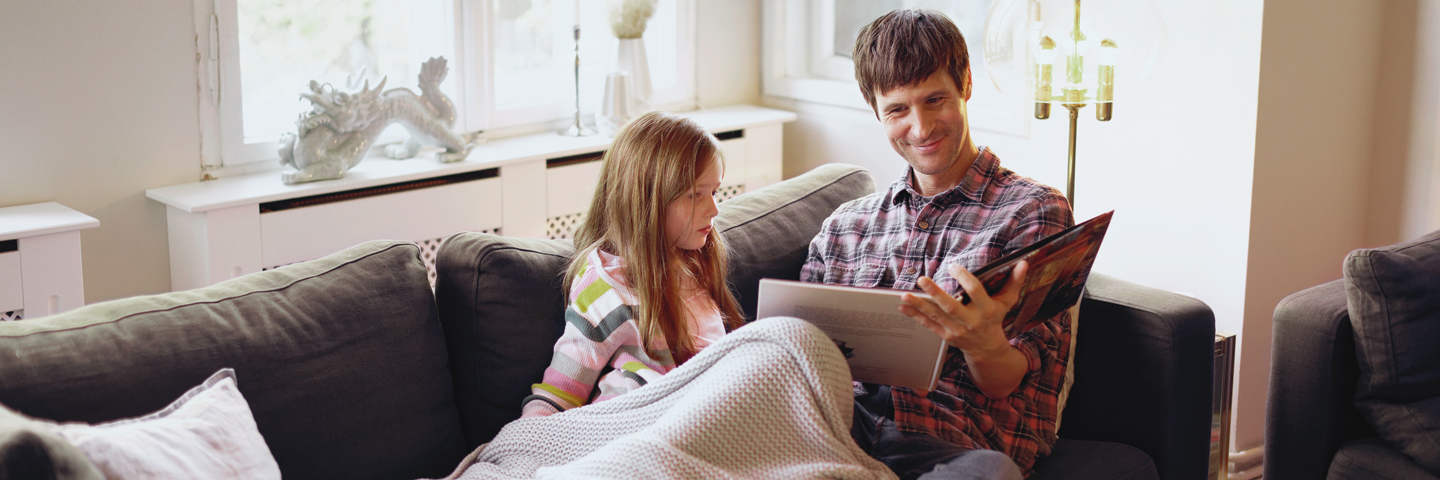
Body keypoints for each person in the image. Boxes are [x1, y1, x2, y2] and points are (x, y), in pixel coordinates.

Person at [800, 8, 1075, 480]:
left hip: (947, 444)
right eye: (898, 110)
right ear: (876, 111)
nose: (922, 128)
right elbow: (798, 358)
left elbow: (1007, 382)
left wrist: (984, 344)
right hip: (835, 427)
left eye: (934, 100)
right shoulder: (845, 226)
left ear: (966, 84)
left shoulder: (1033, 212)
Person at [521, 111, 746, 418]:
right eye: (695, 195)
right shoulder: (605, 286)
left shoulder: (697, 259)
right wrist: (526, 437)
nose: (714, 209)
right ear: (646, 200)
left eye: (715, 191)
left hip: (704, 417)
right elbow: (561, 391)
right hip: (635, 424)